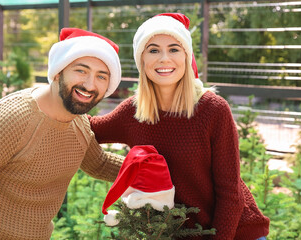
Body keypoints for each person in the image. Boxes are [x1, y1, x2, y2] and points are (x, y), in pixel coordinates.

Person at [90, 13, 270, 240]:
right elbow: (88, 128)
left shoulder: (212, 109)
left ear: (186, 56)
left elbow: (230, 194)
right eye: (153, 50)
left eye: (174, 49)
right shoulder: (133, 112)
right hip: (179, 234)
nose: (164, 58)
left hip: (235, 232)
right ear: (141, 59)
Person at [0, 28, 124, 239]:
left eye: (101, 76)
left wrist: (154, 172)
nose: (90, 84)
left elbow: (99, 164)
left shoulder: (78, 123)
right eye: (81, 70)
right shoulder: (9, 119)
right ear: (58, 71)